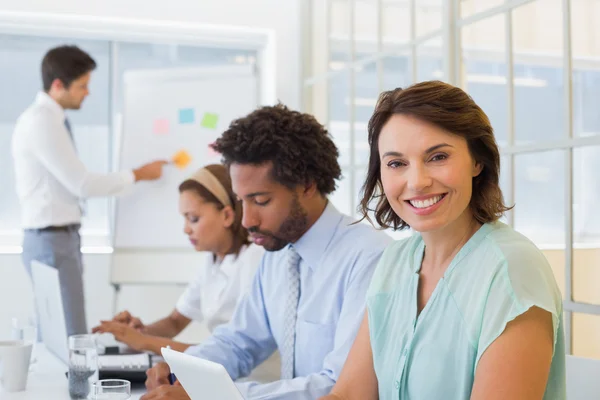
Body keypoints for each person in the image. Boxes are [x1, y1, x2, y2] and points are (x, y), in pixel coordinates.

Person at [320, 81, 566, 400]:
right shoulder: (394, 262)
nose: (417, 181)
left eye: (437, 157)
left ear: (477, 161)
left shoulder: (513, 270)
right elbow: (350, 394)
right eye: (396, 163)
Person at [141, 104, 392, 400]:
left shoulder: (369, 258)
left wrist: (213, 396)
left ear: (307, 186)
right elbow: (240, 340)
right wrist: (182, 369)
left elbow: (340, 386)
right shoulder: (278, 252)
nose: (246, 221)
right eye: (241, 201)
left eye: (260, 200)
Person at [11, 45, 167, 337]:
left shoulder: (48, 120)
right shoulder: (42, 122)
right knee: (70, 335)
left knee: (62, 333)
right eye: (82, 86)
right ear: (58, 85)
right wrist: (138, 175)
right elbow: (81, 184)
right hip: (51, 240)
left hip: (54, 238)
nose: (88, 93)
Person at [92, 164, 265, 355]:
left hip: (254, 377)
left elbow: (231, 352)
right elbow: (175, 322)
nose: (186, 229)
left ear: (226, 215)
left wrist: (144, 341)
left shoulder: (254, 260)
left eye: (193, 218)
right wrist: (137, 332)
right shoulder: (213, 261)